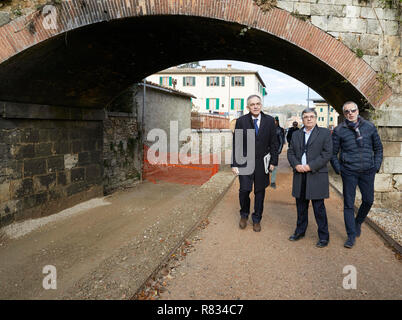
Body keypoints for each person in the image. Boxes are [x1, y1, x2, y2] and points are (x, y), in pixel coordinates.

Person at [330, 101, 383, 249]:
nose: (350, 113)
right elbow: (333, 154)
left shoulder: (370, 127)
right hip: (349, 171)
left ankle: (358, 221)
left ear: (358, 111)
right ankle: (351, 235)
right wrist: (339, 169)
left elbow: (378, 149)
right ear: (344, 114)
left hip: (368, 171)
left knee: (368, 200)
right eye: (346, 112)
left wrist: (376, 166)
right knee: (348, 203)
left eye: (352, 110)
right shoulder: (340, 130)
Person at [231, 95, 278, 232]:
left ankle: (257, 218)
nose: (256, 106)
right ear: (248, 107)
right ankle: (244, 215)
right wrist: (234, 164)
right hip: (244, 162)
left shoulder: (269, 121)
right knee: (244, 190)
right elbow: (237, 143)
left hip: (262, 164)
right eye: (252, 104)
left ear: (261, 105)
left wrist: (273, 161)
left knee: (260, 192)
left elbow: (274, 143)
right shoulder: (241, 121)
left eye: (258, 103)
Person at [287, 108, 332, 248]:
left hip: (316, 174)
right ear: (302, 119)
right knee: (301, 207)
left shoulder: (324, 133)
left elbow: (327, 154)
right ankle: (300, 231)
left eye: (311, 116)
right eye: (306, 117)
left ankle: (324, 237)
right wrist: (296, 165)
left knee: (319, 208)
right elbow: (291, 152)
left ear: (316, 118)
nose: (309, 119)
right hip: (300, 174)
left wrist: (310, 166)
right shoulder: (296, 134)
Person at [270, 117, 285, 189]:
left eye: (275, 121)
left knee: (274, 166)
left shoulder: (280, 130)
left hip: (275, 150)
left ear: (277, 121)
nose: (274, 122)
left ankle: (272, 182)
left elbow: (281, 141)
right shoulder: (268, 129)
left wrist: (279, 151)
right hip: (267, 150)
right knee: (265, 165)